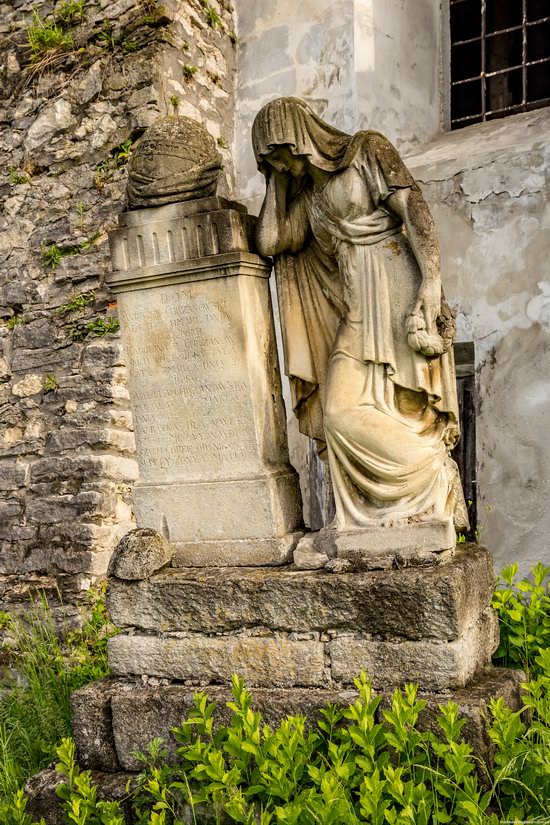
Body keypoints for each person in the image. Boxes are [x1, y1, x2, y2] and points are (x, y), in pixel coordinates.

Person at [252, 96, 468, 531]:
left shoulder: (366, 150)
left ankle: (426, 497)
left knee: (407, 405)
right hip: (355, 304)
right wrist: (276, 180)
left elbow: (414, 208)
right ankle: (420, 482)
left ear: (301, 136)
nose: (281, 162)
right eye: (270, 159)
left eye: (281, 150)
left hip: (395, 287)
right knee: (339, 411)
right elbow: (270, 241)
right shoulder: (309, 199)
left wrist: (431, 282)